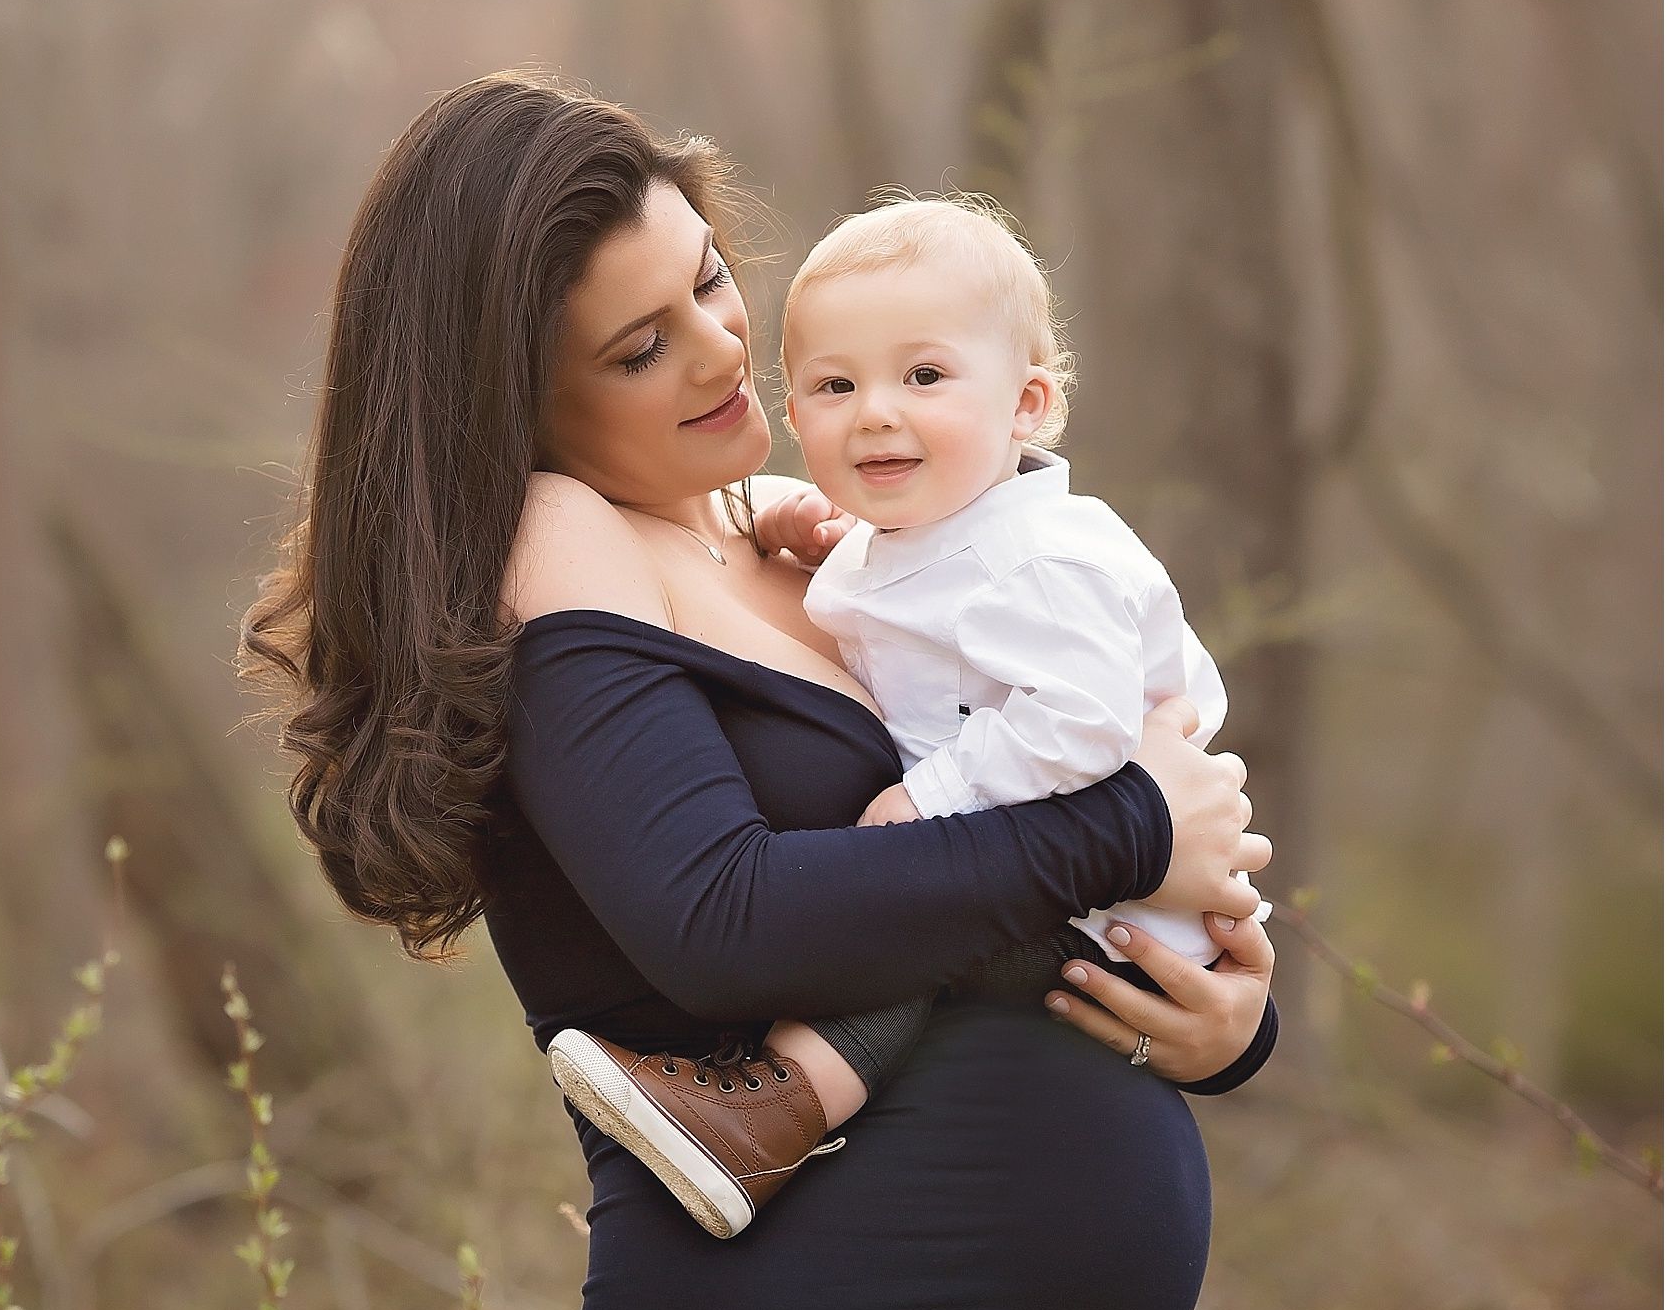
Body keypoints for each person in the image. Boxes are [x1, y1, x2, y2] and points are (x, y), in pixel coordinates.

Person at [242, 74, 1278, 1310]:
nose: (728, 345)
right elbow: (724, 920)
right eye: (638, 345)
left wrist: (1214, 1019)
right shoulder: (559, 533)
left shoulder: (795, 536)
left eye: (712, 280)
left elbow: (981, 846)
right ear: (513, 400)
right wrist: (1126, 827)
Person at [545, 192, 1275, 1241]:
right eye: (837, 385)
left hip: (1109, 937)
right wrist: (807, 523)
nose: (877, 411)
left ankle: (778, 1106)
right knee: (925, 926)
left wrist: (929, 798)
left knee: (928, 936)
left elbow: (1083, 728)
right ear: (799, 412)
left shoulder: (1041, 557)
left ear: (1027, 404)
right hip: (1076, 937)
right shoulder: (900, 535)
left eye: (924, 376)